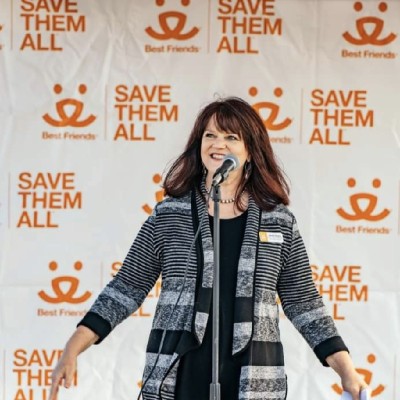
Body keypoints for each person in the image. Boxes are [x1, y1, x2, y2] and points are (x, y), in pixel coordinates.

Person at [49, 97, 368, 400]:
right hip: (181, 373)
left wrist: (346, 370)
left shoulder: (278, 221)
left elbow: (303, 302)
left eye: (231, 137)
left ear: (250, 151)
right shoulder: (170, 215)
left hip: (253, 375)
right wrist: (72, 348)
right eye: (210, 135)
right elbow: (127, 287)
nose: (218, 144)